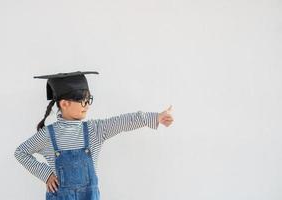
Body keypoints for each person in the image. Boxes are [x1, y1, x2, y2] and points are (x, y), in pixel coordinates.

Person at [14, 71, 174, 200]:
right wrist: (46, 174)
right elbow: (21, 152)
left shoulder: (94, 130)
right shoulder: (48, 135)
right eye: (82, 101)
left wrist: (156, 117)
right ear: (64, 104)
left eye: (88, 100)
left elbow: (123, 121)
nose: (87, 106)